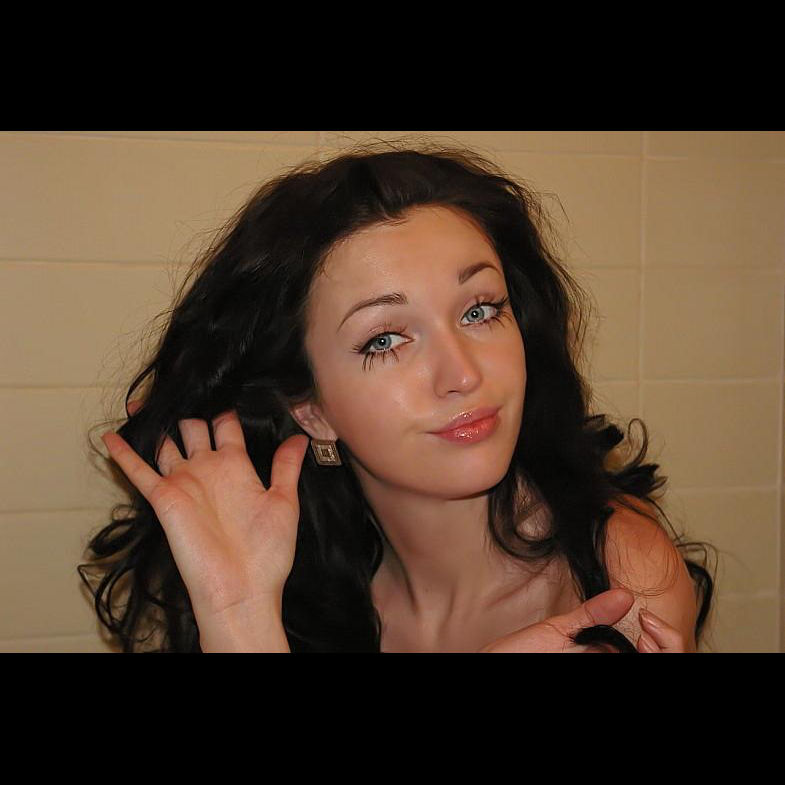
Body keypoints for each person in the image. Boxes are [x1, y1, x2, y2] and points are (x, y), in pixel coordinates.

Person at [79, 141, 715, 653]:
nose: (461, 374)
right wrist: (238, 611)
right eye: (384, 340)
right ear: (311, 410)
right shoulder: (302, 587)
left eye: (479, 310)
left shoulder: (618, 578)